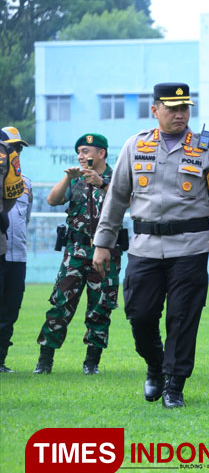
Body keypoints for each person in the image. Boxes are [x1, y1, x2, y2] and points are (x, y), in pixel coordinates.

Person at [93, 82, 209, 408]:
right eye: (172, 109)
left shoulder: (206, 147)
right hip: (144, 247)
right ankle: (155, 365)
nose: (180, 114)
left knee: (183, 319)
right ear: (155, 110)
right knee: (140, 315)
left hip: (190, 247)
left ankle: (174, 385)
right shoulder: (135, 145)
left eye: (185, 108)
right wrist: (103, 242)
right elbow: (116, 197)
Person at [35, 133, 120, 375]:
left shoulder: (116, 178)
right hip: (75, 252)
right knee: (60, 305)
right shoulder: (75, 179)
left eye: (85, 151)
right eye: (79, 152)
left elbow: (129, 202)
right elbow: (52, 200)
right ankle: (44, 360)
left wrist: (101, 183)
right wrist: (67, 178)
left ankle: (92, 362)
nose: (81, 157)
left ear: (101, 153)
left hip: (106, 254)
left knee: (100, 307)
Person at [0, 126, 29, 372]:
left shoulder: (25, 183)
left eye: (18, 147)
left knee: (10, 310)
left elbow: (25, 219)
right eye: (12, 147)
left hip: (17, 256)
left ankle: (0, 360)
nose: (16, 151)